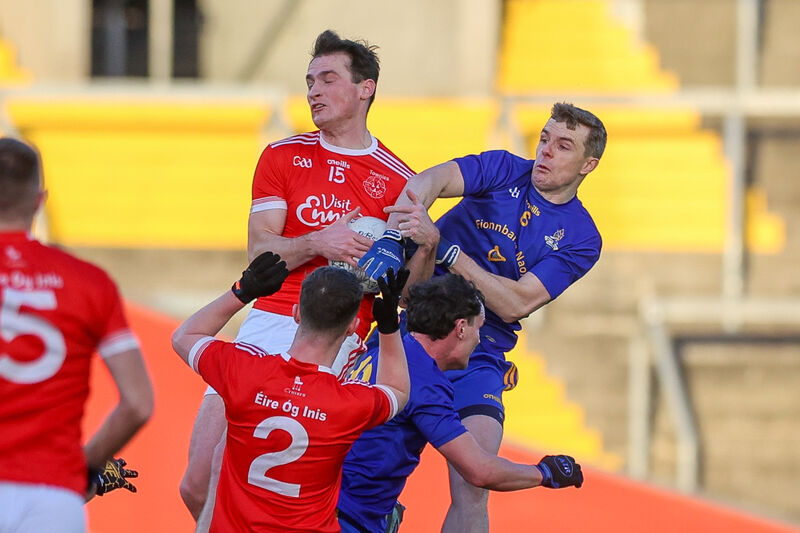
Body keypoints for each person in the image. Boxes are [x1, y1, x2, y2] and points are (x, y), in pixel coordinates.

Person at [180, 28, 414, 519]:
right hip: (268, 318)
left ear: (365, 88)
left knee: (282, 491)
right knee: (198, 484)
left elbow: (407, 286)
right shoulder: (282, 156)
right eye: (309, 81)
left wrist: (425, 247)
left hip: (336, 335)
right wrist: (316, 241)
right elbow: (260, 251)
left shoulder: (400, 181)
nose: (313, 91)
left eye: (328, 79)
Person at [358, 102, 606, 532]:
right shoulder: (504, 168)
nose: (544, 152)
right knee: (355, 449)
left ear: (589, 163)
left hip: (479, 348)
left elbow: (516, 304)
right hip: (415, 328)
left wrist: (451, 252)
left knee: (475, 480)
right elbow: (431, 179)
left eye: (562, 146)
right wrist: (399, 234)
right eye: (544, 139)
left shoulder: (582, 237)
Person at [171, 253, 411, 532]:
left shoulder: (245, 371)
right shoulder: (349, 404)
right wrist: (388, 326)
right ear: (351, 329)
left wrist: (242, 291)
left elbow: (184, 337)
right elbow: (397, 391)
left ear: (296, 313)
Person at [337, 274, 584, 533]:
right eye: (479, 327)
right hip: (349, 520)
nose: (479, 340)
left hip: (331, 505)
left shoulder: (388, 349)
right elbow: (479, 471)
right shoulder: (425, 381)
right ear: (461, 328)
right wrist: (545, 472)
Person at [0, 137, 153, 532]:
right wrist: (86, 469)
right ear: (39, 200)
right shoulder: (88, 282)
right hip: (52, 497)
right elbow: (138, 403)